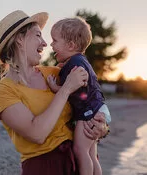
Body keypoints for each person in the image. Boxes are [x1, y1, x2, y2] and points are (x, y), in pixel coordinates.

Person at [0, 10, 109, 175]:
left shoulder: (56, 73)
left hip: (80, 164)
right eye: (38, 35)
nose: (45, 43)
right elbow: (37, 134)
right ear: (19, 39)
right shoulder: (2, 90)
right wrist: (66, 89)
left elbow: (90, 97)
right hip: (44, 167)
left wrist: (102, 127)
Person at [47, 17, 110, 175]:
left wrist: (56, 88)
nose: (51, 44)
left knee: (80, 151)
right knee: (90, 154)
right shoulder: (80, 60)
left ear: (71, 45)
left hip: (88, 112)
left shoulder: (75, 64)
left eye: (55, 40)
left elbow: (76, 86)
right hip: (97, 108)